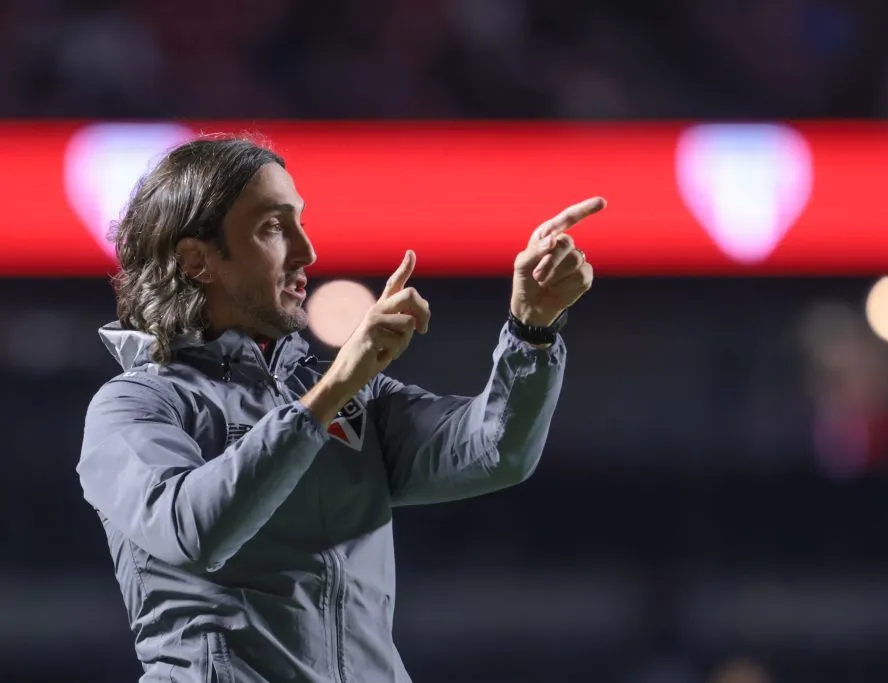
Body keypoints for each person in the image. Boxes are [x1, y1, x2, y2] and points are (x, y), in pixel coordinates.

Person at [76, 135, 604, 683]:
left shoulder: (347, 394)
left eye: (301, 222)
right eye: (274, 227)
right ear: (197, 260)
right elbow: (194, 531)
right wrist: (328, 394)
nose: (307, 252)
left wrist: (531, 331)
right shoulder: (134, 406)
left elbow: (498, 451)